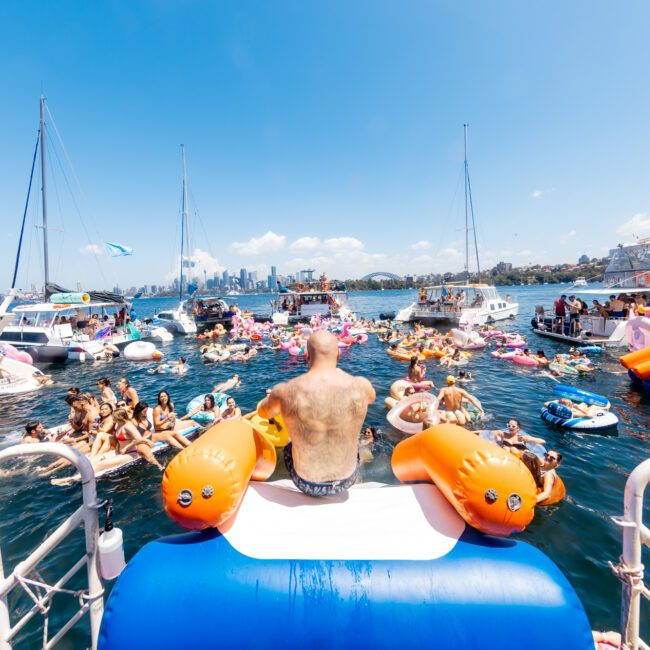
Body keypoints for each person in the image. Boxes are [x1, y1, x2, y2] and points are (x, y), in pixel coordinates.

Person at [259, 330, 376, 497]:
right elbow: (372, 397)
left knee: (290, 442)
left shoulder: (285, 391)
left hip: (306, 482)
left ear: (307, 355)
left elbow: (263, 413)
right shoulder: (361, 385)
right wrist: (343, 374)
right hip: (347, 479)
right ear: (338, 355)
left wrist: (273, 397)